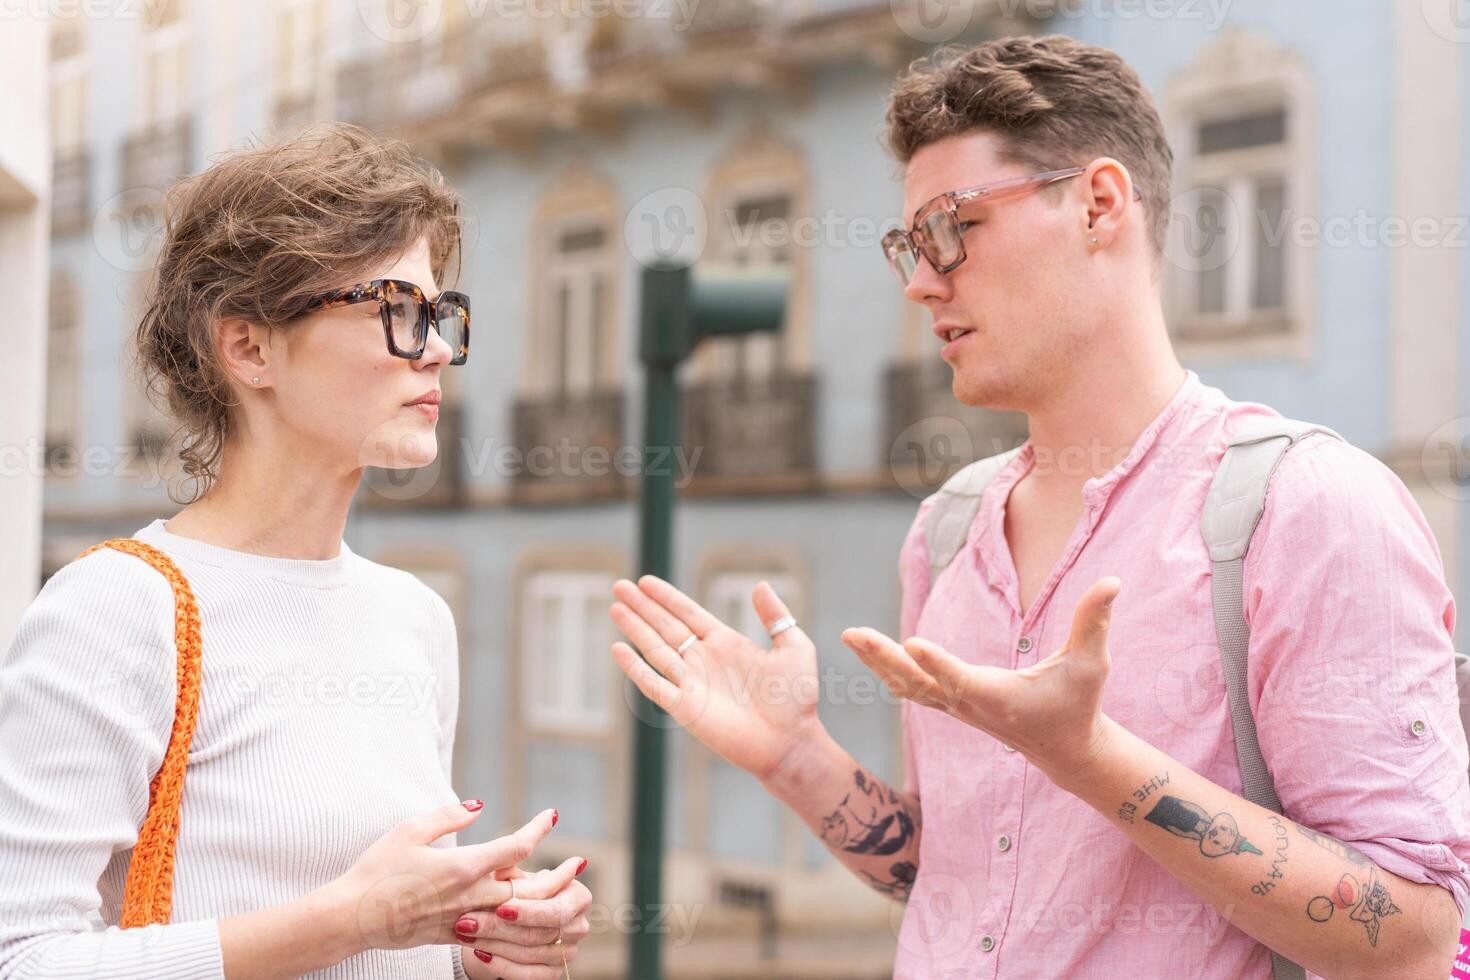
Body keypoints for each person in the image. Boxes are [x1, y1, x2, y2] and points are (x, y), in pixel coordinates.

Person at [607, 35, 1470, 978]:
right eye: (909, 242)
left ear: (1099, 205)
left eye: (951, 227)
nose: (920, 280)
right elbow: (967, 881)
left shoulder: (1308, 510)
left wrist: (1089, 757)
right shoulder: (946, 532)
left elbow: (1415, 933)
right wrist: (798, 761)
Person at [0, 123, 591, 979]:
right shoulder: (119, 608)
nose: (433, 350)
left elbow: (385, 950)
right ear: (247, 347)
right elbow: (21, 959)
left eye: (437, 314)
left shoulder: (414, 616)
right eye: (395, 309)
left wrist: (478, 952)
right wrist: (357, 919)